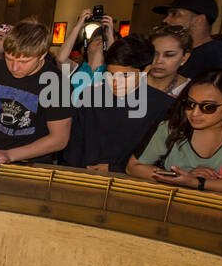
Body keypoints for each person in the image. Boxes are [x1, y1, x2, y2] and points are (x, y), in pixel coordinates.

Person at [127, 67, 222, 195]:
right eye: (190, 104)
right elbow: (134, 167)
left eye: (208, 107)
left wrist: (198, 183)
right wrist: (178, 178)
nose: (194, 113)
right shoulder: (174, 125)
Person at [61, 34, 173, 174]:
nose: (115, 82)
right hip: (82, 177)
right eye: (110, 74)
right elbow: (74, 147)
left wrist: (117, 168)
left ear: (146, 70)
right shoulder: (89, 96)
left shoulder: (163, 106)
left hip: (131, 183)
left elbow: (160, 158)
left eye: (125, 76)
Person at [0, 21, 73, 164]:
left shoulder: (57, 83)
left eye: (24, 61)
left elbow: (59, 139)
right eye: (9, 59)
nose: (14, 67)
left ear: (42, 55)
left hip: (36, 162)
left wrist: (10, 155)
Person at [153, 0, 222, 77]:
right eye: (167, 15)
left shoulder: (217, 54)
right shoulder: (179, 51)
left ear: (199, 20)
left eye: (175, 14)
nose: (165, 20)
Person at [147, 23, 193, 98]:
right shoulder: (128, 82)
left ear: (185, 58)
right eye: (154, 54)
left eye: (169, 55)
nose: (158, 61)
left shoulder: (190, 91)